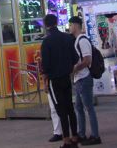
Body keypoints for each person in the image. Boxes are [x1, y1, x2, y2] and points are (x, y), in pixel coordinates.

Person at [40, 13, 79, 146]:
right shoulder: (67, 38)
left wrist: (45, 82)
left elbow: (45, 65)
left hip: (54, 80)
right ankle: (75, 137)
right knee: (70, 108)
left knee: (61, 111)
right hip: (66, 77)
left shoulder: (46, 42)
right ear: (57, 22)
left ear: (45, 25)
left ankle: (66, 140)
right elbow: (75, 58)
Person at [68, 16, 100, 144]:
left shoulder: (82, 40)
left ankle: (95, 136)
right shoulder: (77, 40)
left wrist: (75, 69)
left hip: (84, 78)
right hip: (79, 79)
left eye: (70, 25)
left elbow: (87, 60)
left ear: (76, 25)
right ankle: (81, 134)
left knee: (89, 108)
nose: (69, 28)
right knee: (79, 108)